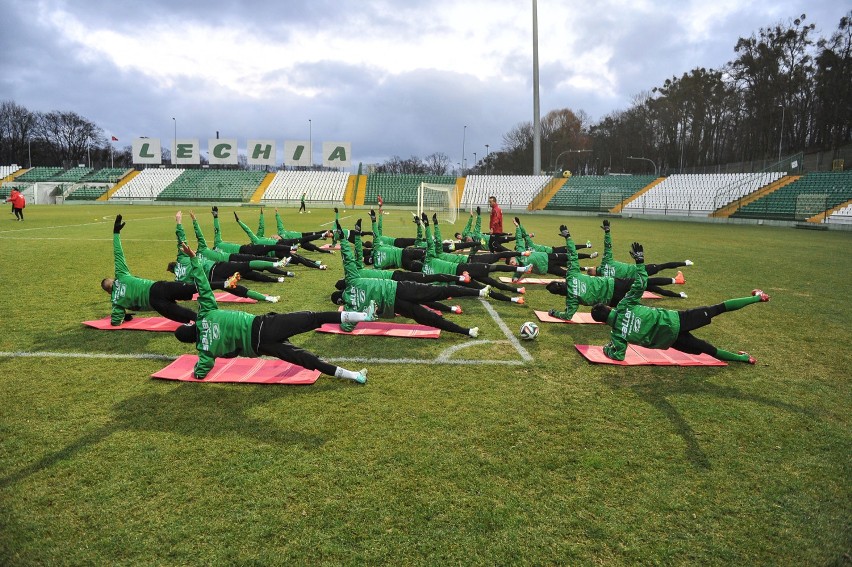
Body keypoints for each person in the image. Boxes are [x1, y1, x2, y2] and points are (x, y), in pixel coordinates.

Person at [174, 242, 376, 383]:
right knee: (314, 318)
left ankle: (354, 375)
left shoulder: (205, 351)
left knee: (307, 359)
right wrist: (193, 259)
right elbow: (202, 285)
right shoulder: (205, 314)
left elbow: (201, 372)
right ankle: (363, 316)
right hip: (262, 325)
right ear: (190, 325)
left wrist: (197, 371)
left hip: (261, 347)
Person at [591, 242, 769, 364]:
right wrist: (639, 262)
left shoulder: (617, 335)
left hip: (670, 339)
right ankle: (757, 297)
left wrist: (607, 349)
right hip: (676, 320)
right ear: (608, 307)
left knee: (707, 349)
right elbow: (641, 284)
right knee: (718, 308)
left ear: (603, 322)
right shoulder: (623, 306)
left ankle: (745, 359)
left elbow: (619, 355)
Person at [333, 227, 490, 337]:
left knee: (428, 317)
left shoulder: (350, 308)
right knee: (436, 292)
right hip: (398, 288)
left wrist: (343, 316)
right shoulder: (352, 279)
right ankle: (477, 292)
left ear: (340, 301)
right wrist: (344, 239)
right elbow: (348, 259)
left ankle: (467, 331)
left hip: (394, 304)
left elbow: (346, 327)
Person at [546, 225, 686, 321]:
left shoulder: (571, 299)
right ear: (560, 283)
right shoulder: (571, 276)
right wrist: (568, 236)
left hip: (612, 299)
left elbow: (568, 315)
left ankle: (667, 314)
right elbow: (572, 254)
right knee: (647, 284)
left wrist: (554, 313)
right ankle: (675, 283)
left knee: (635, 308)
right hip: (616, 284)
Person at [100, 215, 198, 326]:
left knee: (182, 314)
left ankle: (199, 318)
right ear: (113, 280)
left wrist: (123, 315)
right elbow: (118, 254)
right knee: (192, 288)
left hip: (155, 303)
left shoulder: (116, 301)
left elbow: (115, 322)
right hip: (158, 287)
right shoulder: (121, 275)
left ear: (108, 292)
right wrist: (116, 233)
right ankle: (220, 284)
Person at [168, 211, 285, 303]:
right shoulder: (185, 256)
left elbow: (189, 289)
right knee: (245, 265)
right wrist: (179, 222)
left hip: (213, 280)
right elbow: (183, 239)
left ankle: (268, 298)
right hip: (217, 267)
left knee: (237, 289)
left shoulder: (179, 279)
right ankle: (275, 264)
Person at [585, 220, 692, 278]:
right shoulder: (605, 262)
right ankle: (685, 264)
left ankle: (677, 280)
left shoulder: (605, 280)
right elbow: (607, 247)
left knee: (654, 284)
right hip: (638, 270)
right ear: (594, 268)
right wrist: (607, 232)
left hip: (635, 281)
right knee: (661, 267)